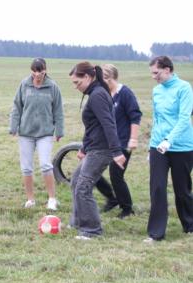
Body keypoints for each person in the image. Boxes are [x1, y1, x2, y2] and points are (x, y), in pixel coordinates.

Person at [68, 62, 126, 240]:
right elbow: (94, 126)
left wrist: (116, 151)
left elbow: (109, 124)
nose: (76, 87)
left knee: (83, 188)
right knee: (76, 181)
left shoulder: (98, 95)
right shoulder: (96, 92)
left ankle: (92, 229)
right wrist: (84, 148)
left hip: (102, 150)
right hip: (93, 148)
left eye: (77, 82)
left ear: (87, 77)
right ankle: (78, 221)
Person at [145, 56, 193, 242]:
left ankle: (189, 225)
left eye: (156, 72)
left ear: (167, 70)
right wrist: (153, 146)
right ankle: (156, 233)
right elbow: (157, 119)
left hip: (182, 146)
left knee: (182, 189)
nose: (153, 77)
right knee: (157, 187)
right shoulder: (156, 91)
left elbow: (184, 118)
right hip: (158, 147)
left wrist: (169, 140)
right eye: (152, 73)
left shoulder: (184, 88)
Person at [10, 58, 64, 210]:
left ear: (45, 70)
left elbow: (58, 110)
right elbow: (17, 106)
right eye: (34, 71)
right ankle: (30, 200)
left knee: (45, 165)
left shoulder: (52, 87)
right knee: (26, 168)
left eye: (40, 71)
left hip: (45, 133)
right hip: (26, 133)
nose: (37, 74)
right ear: (31, 71)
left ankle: (52, 199)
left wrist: (59, 130)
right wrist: (13, 126)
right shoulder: (24, 85)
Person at [95, 64, 142, 218]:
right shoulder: (105, 94)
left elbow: (135, 116)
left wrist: (133, 139)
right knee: (91, 170)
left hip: (122, 142)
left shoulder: (125, 93)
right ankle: (112, 198)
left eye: (101, 79)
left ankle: (127, 209)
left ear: (109, 78)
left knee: (116, 175)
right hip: (106, 142)